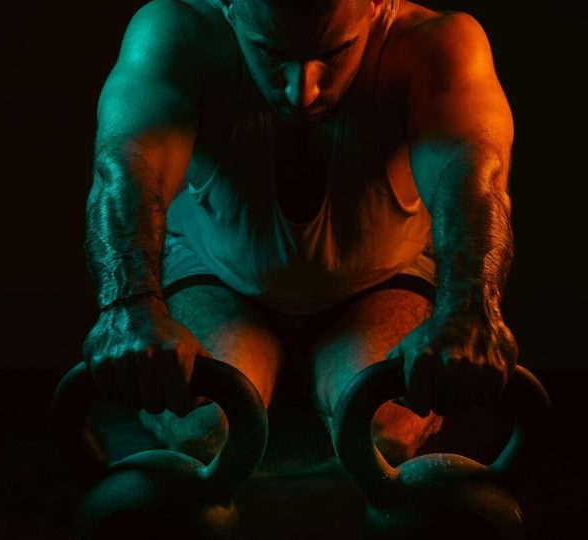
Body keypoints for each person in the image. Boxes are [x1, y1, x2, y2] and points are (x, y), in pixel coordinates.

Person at [82, 0, 518, 473]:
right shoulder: (175, 33)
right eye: (271, 53)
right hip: (217, 273)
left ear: (375, 4)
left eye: (335, 52)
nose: (302, 91)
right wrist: (129, 307)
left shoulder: (438, 44)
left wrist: (469, 310)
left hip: (381, 278)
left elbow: (476, 183)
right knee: (208, 431)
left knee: (381, 432)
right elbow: (124, 173)